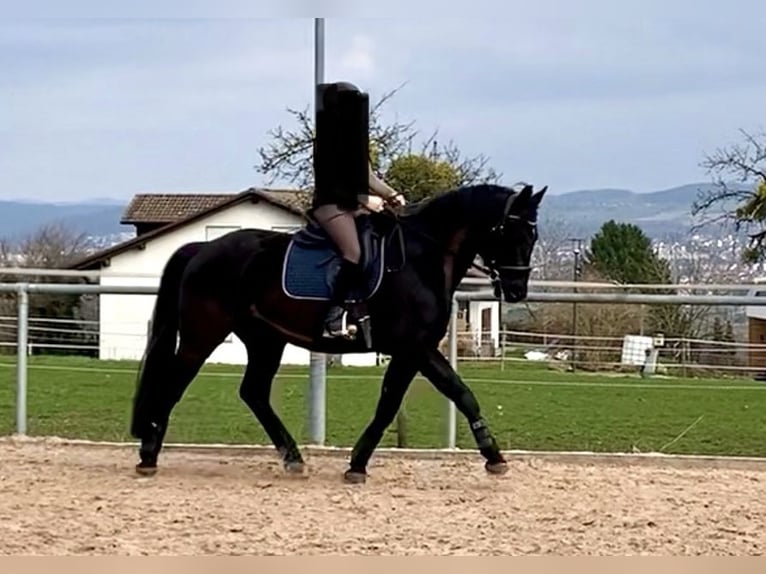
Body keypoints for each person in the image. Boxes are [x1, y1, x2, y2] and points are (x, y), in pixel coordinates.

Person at [311, 81, 406, 339]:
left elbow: (367, 176)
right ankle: (332, 315)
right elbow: (333, 183)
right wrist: (366, 201)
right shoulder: (327, 141)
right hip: (331, 205)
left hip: (352, 205)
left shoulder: (353, 139)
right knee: (353, 251)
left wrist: (391, 195)